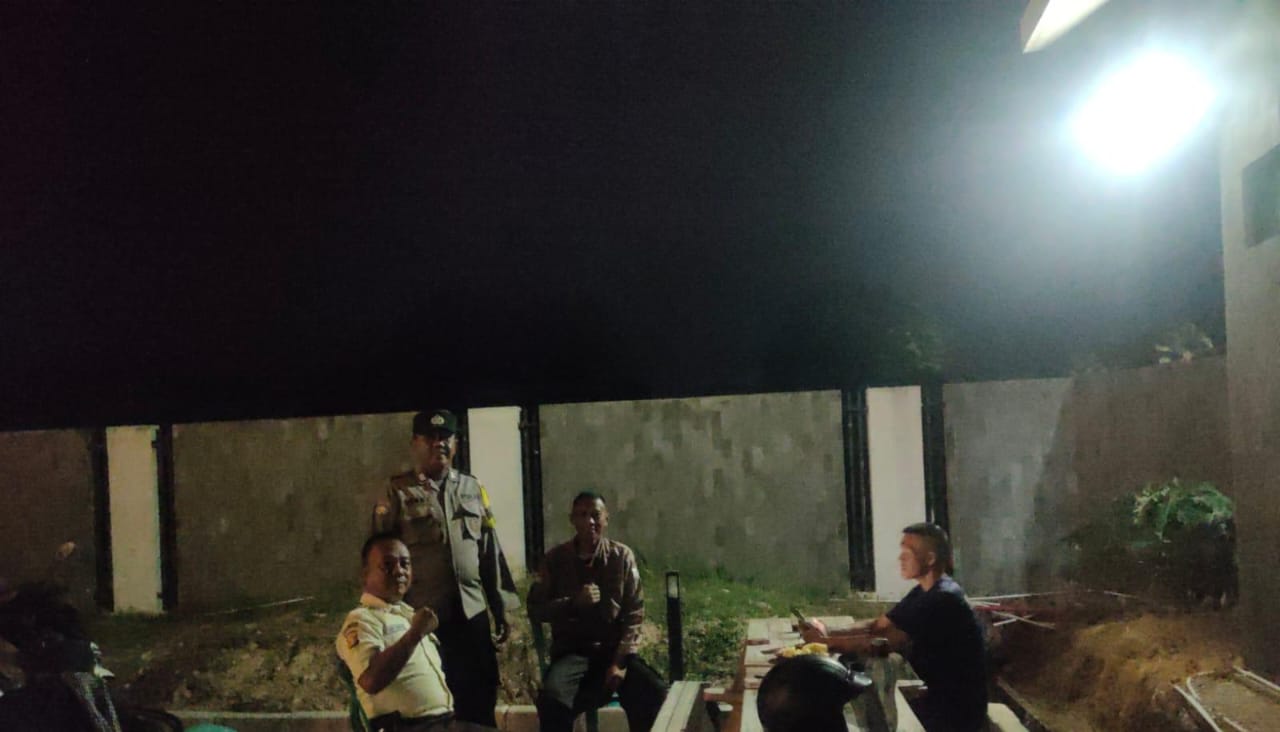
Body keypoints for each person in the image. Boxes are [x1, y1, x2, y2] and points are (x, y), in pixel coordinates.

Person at [371, 409, 518, 730]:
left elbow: (489, 552)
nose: (439, 443)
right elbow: (379, 557)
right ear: (415, 443)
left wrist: (501, 607)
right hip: (423, 617)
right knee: (432, 706)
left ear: (456, 444)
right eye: (431, 437)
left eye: (445, 438)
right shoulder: (397, 493)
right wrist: (385, 616)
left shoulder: (472, 488)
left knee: (479, 702)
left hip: (471, 615)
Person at [801, 523, 987, 732]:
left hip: (952, 711)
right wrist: (827, 630)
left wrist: (826, 643)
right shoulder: (925, 591)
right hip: (932, 695)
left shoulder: (943, 598)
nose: (900, 558)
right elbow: (878, 625)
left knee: (872, 669)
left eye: (907, 553)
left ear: (930, 559)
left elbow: (883, 643)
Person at [527, 491, 667, 732]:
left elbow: (634, 614)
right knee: (552, 700)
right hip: (573, 654)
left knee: (655, 693)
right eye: (582, 515)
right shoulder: (555, 560)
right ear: (572, 520)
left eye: (595, 515)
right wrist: (572, 603)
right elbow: (536, 609)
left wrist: (620, 662)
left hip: (614, 652)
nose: (589, 521)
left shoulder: (621, 557)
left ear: (606, 519)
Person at [336, 533, 456, 731]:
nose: (399, 571)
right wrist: (415, 634)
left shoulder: (408, 615)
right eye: (387, 565)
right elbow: (371, 681)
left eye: (405, 564)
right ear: (365, 574)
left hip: (443, 722)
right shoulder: (362, 619)